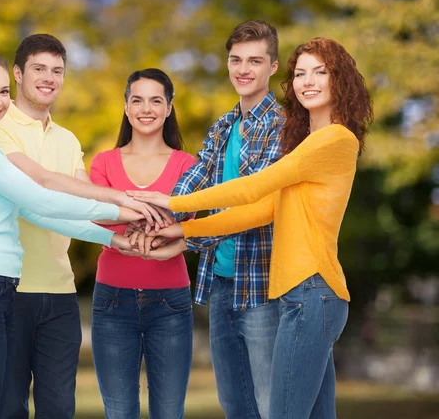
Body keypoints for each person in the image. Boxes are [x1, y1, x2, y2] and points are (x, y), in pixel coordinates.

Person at [130, 37, 374, 419]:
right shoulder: (307, 146)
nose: (307, 81)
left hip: (314, 293)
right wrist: (185, 232)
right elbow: (260, 210)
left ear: (339, 79)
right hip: (301, 297)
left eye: (320, 72)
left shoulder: (334, 140)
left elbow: (254, 185)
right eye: (301, 74)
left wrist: (173, 203)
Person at [0, 50, 139, 419]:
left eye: (1, 92)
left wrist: (114, 238)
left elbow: (31, 210)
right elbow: (40, 197)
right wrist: (124, 211)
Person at [0, 34, 170, 419]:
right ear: (17, 74)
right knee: (5, 407)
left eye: (57, 71)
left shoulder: (68, 140)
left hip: (59, 294)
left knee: (59, 409)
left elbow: (83, 205)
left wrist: (121, 233)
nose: (49, 78)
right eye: (39, 69)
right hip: (7, 289)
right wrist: (126, 200)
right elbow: (39, 187)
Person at [132, 20, 284, 418]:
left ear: (274, 66)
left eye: (255, 60)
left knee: (272, 404)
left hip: (263, 284)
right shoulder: (223, 126)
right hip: (220, 282)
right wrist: (150, 215)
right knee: (234, 403)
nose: (243, 69)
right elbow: (193, 184)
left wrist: (182, 235)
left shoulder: (283, 127)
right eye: (236, 59)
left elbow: (249, 203)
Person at [88, 68, 196, 419]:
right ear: (125, 106)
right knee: (119, 412)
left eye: (155, 100)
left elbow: (190, 222)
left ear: (168, 107)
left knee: (169, 411)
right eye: (137, 99)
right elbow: (96, 214)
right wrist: (155, 212)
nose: (145, 108)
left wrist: (127, 212)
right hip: (112, 300)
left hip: (171, 302)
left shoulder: (187, 165)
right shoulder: (103, 161)